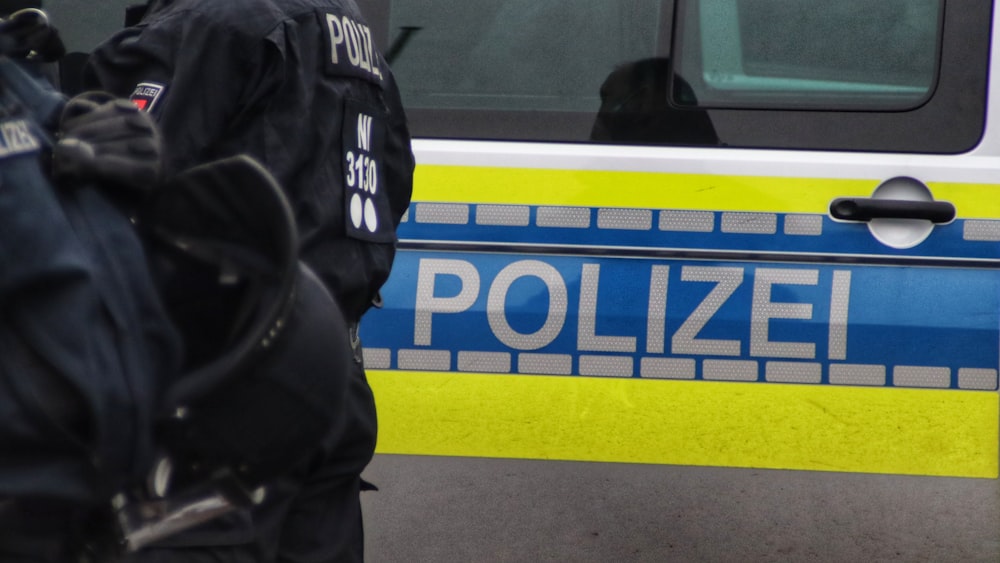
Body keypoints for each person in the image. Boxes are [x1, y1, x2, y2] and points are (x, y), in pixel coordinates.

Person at [83, 0, 415, 561]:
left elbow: (105, 185)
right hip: (330, 375)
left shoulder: (210, 23)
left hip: (218, 388)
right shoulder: (353, 34)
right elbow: (395, 181)